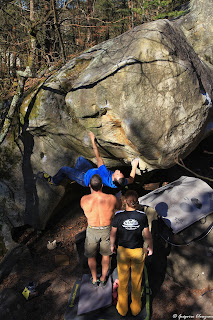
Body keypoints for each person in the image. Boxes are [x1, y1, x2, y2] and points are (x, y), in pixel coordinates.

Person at [43, 131, 139, 188]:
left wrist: (93, 140)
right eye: (120, 172)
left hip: (84, 178)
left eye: (118, 173)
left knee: (64, 169)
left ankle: (53, 181)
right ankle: (72, 176)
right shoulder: (119, 182)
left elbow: (98, 156)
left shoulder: (104, 174)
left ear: (114, 178)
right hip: (90, 171)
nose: (118, 170)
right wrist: (134, 165)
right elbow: (131, 179)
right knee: (80, 159)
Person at [110, 190, 153, 317]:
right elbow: (147, 234)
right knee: (136, 281)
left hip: (122, 252)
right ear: (136, 201)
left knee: (123, 282)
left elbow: (113, 233)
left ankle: (122, 309)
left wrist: (112, 245)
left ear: (124, 201)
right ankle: (136, 308)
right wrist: (150, 247)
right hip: (137, 252)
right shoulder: (142, 216)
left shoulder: (118, 215)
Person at [80, 174, 120, 287]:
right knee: (106, 255)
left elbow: (86, 209)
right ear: (102, 185)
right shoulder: (111, 198)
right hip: (106, 229)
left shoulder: (83, 199)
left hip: (92, 230)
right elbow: (119, 206)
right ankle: (103, 277)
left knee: (91, 256)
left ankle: (94, 278)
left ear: (89, 186)